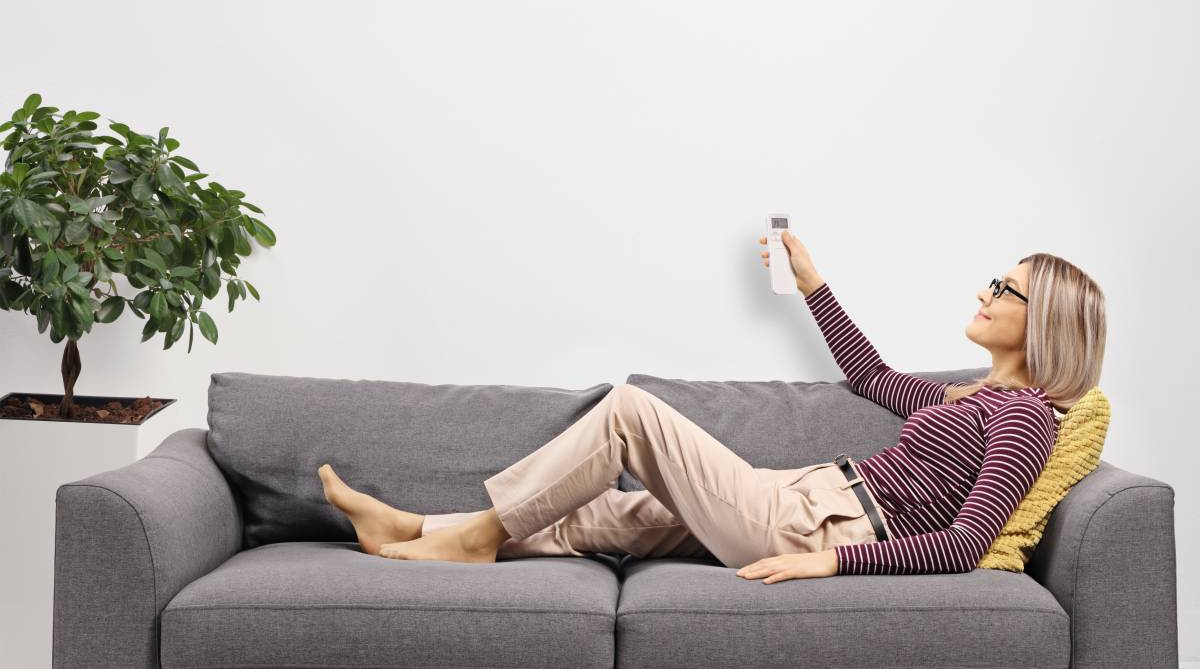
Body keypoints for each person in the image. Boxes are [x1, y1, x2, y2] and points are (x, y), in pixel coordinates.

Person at [318, 232, 1105, 583]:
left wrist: (828, 560)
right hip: (807, 492)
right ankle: (415, 528)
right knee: (605, 517)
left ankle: (473, 540)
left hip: (822, 522)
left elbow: (966, 542)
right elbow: (870, 374)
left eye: (1004, 288)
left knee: (630, 409)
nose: (984, 291)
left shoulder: (1026, 416)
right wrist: (811, 283)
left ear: (1044, 322)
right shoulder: (975, 395)